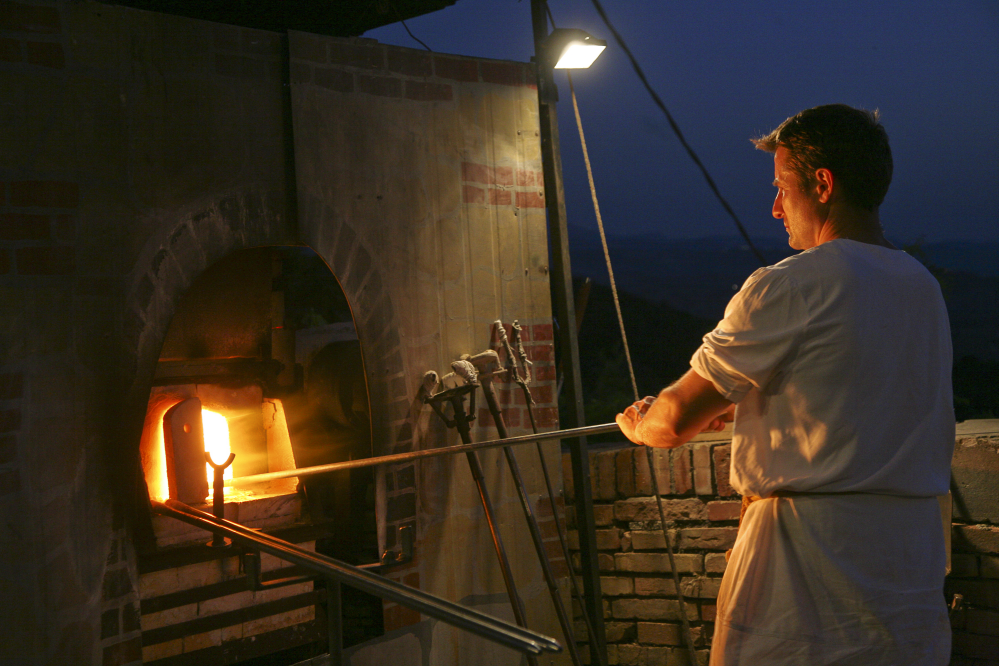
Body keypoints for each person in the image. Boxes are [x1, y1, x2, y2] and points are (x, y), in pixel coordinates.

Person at [616, 104, 954, 665]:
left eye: (781, 188)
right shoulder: (923, 287)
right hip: (909, 566)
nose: (775, 208)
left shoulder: (790, 285)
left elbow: (673, 420)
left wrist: (640, 426)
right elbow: (852, 400)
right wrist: (761, 410)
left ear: (822, 185)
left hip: (809, 574)